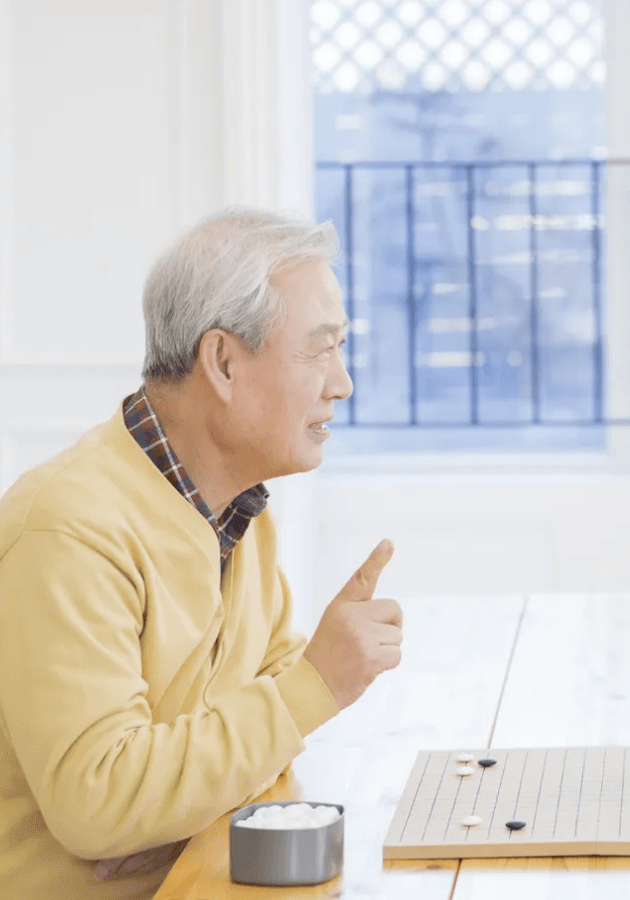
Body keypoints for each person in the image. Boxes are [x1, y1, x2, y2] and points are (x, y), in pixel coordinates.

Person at [0, 209, 403, 899]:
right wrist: (317, 687)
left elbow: (265, 715)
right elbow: (100, 803)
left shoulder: (237, 509)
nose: (341, 384)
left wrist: (172, 820)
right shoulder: (67, 529)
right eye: (319, 349)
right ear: (221, 362)